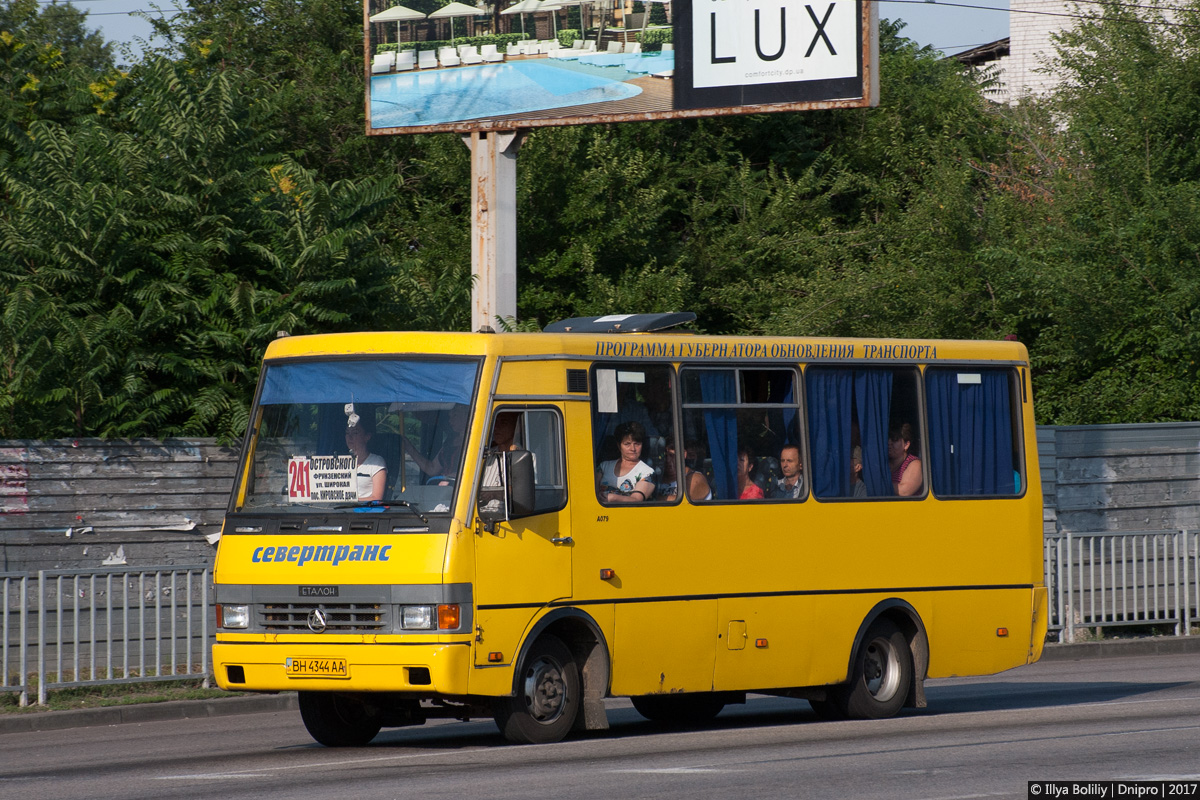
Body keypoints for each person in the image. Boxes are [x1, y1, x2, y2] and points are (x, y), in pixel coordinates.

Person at [597, 420, 655, 503]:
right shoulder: (604, 467)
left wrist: (613, 498)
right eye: (627, 444)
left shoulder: (647, 472)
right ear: (618, 445)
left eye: (637, 444)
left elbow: (637, 500)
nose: (633, 449)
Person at [346, 418, 387, 501]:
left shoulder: (376, 463)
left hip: (365, 512)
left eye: (355, 433)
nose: (349, 437)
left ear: (367, 436)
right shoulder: (340, 462)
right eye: (347, 433)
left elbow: (377, 498)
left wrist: (350, 501)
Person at [889, 423, 923, 497]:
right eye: (887, 439)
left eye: (894, 439)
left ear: (906, 445)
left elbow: (904, 491)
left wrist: (881, 484)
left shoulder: (915, 464)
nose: (889, 443)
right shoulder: (884, 463)